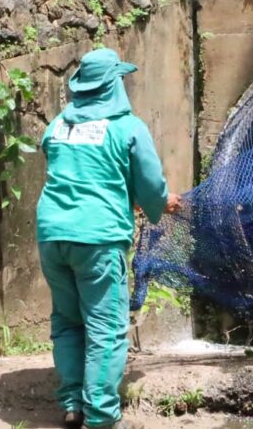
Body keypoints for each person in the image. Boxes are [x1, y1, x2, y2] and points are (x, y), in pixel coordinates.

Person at [36, 48, 181, 429]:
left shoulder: (56, 126)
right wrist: (160, 204)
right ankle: (100, 415)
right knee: (106, 325)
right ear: (112, 85)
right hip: (97, 239)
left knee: (67, 321)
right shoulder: (128, 127)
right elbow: (150, 185)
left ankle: (72, 403)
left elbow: (72, 171)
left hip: (52, 235)